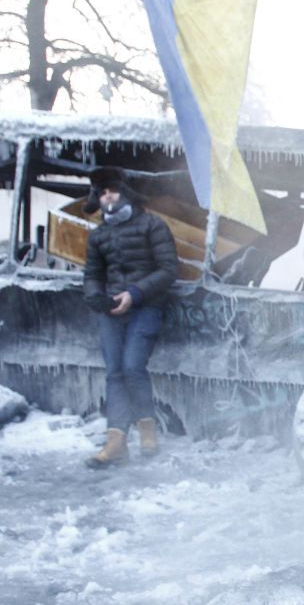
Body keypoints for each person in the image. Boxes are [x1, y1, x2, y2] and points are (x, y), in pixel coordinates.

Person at [82, 167, 178, 468]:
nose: (107, 197)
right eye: (101, 193)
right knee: (114, 372)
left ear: (125, 192)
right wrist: (96, 296)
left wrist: (134, 294)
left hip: (146, 307)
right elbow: (92, 275)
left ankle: (147, 432)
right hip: (110, 310)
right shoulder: (98, 236)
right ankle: (116, 443)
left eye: (112, 190)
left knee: (132, 366)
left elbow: (168, 270)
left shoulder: (152, 225)